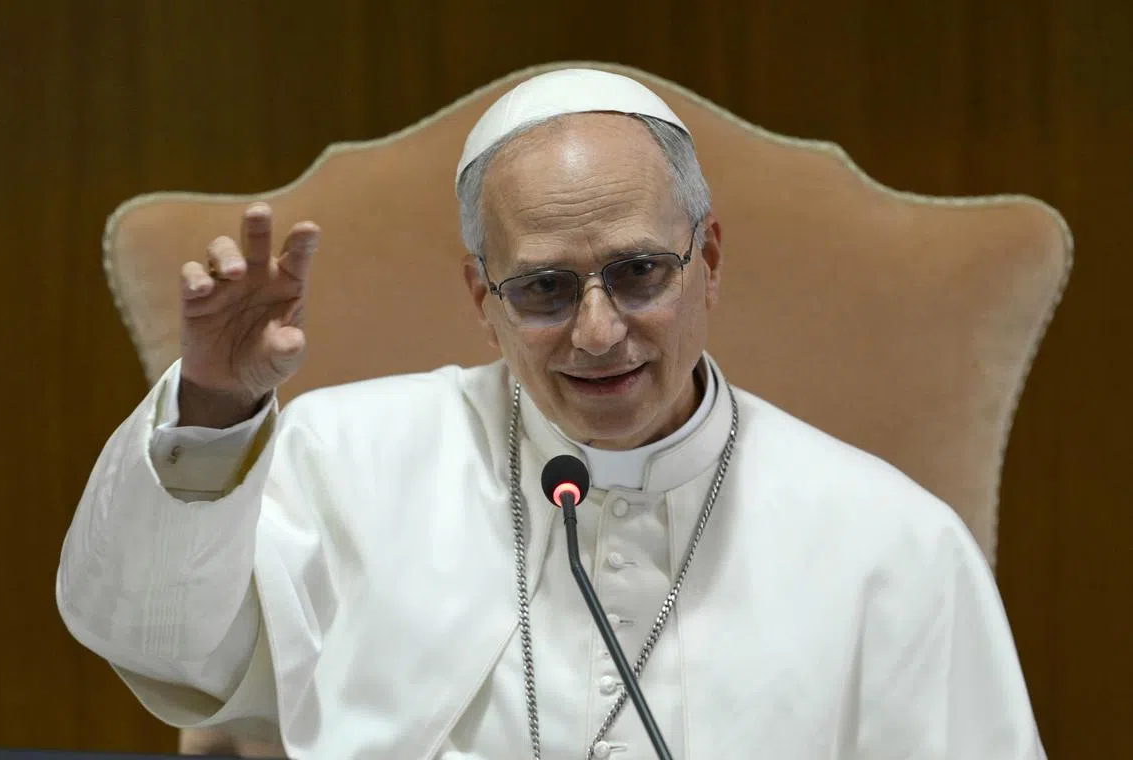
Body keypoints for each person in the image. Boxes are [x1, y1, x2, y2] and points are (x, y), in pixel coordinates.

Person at [57, 68, 1046, 759]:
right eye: (543, 289)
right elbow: (158, 640)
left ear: (708, 261)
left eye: (639, 272)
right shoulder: (344, 460)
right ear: (481, 300)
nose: (599, 331)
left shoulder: (895, 543)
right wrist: (217, 407)